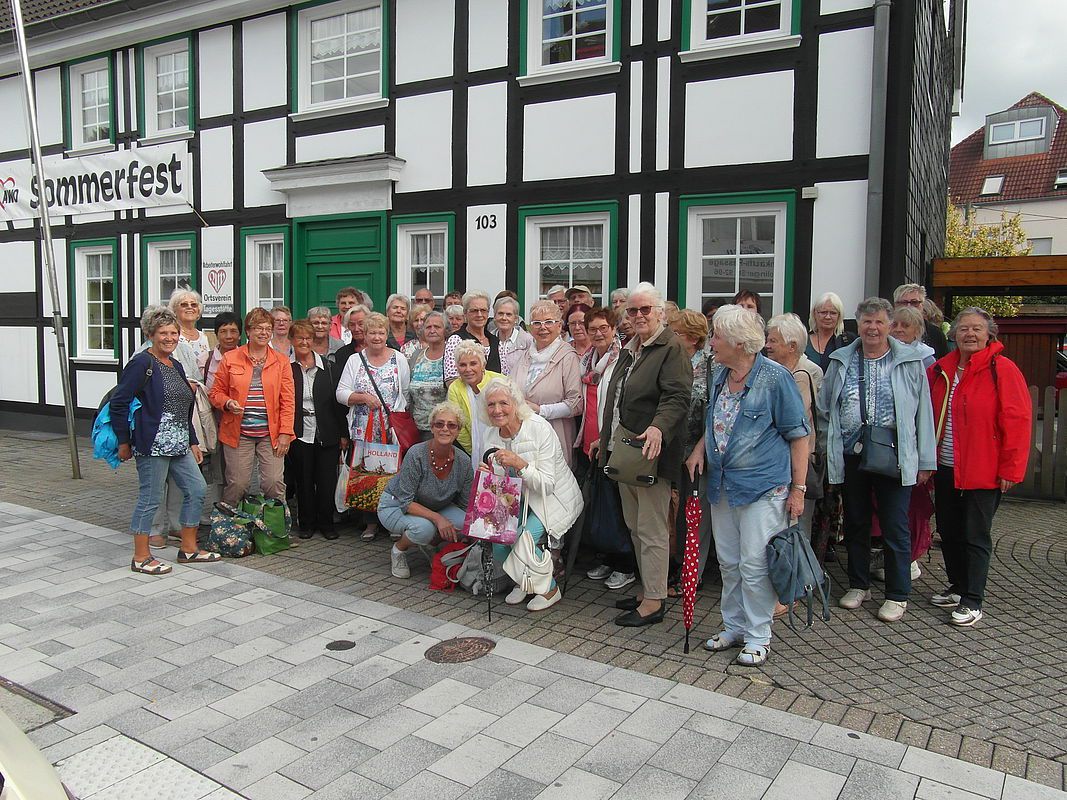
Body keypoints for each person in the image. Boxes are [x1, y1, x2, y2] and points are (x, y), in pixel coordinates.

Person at [685, 305, 809, 666]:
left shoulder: (775, 378)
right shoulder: (721, 375)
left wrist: (798, 490)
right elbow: (717, 422)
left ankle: (758, 635)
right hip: (723, 485)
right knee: (729, 562)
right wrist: (700, 449)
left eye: (717, 336)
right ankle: (734, 626)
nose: (712, 342)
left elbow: (799, 436)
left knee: (755, 565)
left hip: (762, 488)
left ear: (739, 343)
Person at [819, 297, 936, 623]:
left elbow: (924, 414)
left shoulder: (909, 362)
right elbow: (825, 408)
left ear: (889, 325)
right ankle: (859, 585)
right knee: (856, 522)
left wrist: (925, 461)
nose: (872, 328)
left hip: (894, 454)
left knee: (894, 525)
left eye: (879, 322)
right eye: (867, 321)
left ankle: (897, 594)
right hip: (851, 454)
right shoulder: (841, 360)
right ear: (858, 324)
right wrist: (828, 447)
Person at [928, 308, 1031, 626]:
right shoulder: (941, 369)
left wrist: (1011, 469)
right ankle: (958, 586)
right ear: (954, 334)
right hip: (945, 466)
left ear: (989, 334)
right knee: (948, 531)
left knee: (975, 534)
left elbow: (1018, 420)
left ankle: (973, 600)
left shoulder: (1003, 369)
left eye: (976, 329)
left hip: (983, 469)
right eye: (963, 328)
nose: (969, 334)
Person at [597, 283, 691, 627]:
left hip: (651, 452)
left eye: (645, 309)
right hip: (626, 450)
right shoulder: (631, 347)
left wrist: (658, 428)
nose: (638, 316)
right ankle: (649, 588)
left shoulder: (671, 348)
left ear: (660, 312)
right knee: (635, 526)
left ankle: (654, 601)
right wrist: (604, 439)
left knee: (651, 529)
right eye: (633, 310)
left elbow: (677, 397)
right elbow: (618, 398)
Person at [112, 306, 218, 574]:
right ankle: (141, 557)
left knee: (197, 489)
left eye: (173, 333)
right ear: (150, 335)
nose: (169, 338)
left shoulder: (176, 365)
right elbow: (119, 402)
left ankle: (189, 549)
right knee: (150, 498)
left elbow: (184, 407)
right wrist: (124, 441)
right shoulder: (141, 364)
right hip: (152, 445)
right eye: (163, 333)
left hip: (180, 444)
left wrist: (193, 441)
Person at [481, 377, 583, 612]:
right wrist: (488, 473)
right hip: (517, 501)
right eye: (491, 404)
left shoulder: (539, 427)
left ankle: (550, 589)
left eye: (503, 403)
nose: (497, 410)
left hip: (552, 500)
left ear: (516, 403)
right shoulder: (491, 434)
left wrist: (520, 464)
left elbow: (547, 484)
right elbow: (499, 483)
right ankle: (525, 582)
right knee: (499, 541)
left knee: (521, 539)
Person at [335, 312, 411, 541]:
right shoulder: (354, 360)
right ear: (365, 335)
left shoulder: (399, 358)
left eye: (381, 332)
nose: (377, 337)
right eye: (372, 333)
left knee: (392, 474)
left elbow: (405, 393)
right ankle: (370, 523)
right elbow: (341, 393)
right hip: (363, 429)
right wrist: (363, 398)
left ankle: (392, 521)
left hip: (390, 430)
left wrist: (395, 417)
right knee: (368, 474)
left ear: (387, 334)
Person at [210, 307, 296, 506]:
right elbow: (215, 393)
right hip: (238, 432)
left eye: (267, 328)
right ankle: (232, 523)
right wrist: (227, 403)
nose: (263, 332)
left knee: (273, 483)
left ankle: (274, 524)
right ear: (248, 331)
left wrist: (285, 432)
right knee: (237, 484)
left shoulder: (281, 361)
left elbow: (288, 400)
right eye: (258, 328)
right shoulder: (231, 358)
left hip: (271, 434)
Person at [576, 306, 636, 589]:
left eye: (604, 328)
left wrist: (607, 439)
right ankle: (607, 557)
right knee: (599, 507)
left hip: (610, 443)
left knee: (615, 507)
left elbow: (621, 405)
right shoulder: (587, 360)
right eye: (593, 329)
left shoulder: (623, 360)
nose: (598, 333)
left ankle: (625, 564)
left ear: (613, 330)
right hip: (588, 441)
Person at [379, 402, 475, 578]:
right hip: (395, 505)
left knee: (466, 523)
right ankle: (399, 550)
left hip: (434, 506)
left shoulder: (464, 461)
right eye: (439, 424)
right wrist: (439, 519)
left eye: (452, 425)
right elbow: (406, 502)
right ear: (431, 427)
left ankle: (430, 545)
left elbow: (466, 504)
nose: (445, 429)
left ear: (458, 430)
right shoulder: (416, 454)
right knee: (424, 529)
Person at [288, 320, 349, 540]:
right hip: (299, 432)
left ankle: (326, 524)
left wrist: (343, 434)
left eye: (308, 338)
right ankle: (306, 524)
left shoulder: (329, 368)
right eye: (299, 338)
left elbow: (338, 404)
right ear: (292, 340)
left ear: (314, 340)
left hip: (327, 430)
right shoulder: (285, 368)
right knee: (303, 480)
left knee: (326, 481)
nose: (304, 342)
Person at [765, 313, 823, 545]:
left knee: (796, 532)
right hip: (778, 465)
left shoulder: (803, 375)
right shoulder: (773, 371)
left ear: (792, 346)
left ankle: (798, 568)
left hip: (797, 463)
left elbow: (790, 420)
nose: (767, 345)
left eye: (773, 341)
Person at [670, 309, 714, 587]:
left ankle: (692, 575)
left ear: (693, 338)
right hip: (672, 450)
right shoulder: (671, 362)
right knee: (676, 515)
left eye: (676, 333)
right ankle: (678, 567)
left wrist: (700, 448)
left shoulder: (710, 367)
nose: (671, 337)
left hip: (699, 453)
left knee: (696, 515)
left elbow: (716, 413)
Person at [510, 300, 583, 468]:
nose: (543, 327)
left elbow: (576, 404)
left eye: (549, 322)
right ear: (530, 328)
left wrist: (540, 410)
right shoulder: (526, 356)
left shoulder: (568, 357)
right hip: (525, 435)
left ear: (559, 326)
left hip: (555, 432)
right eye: (537, 323)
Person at [446, 340, 503, 460]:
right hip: (474, 448)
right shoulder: (455, 388)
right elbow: (458, 425)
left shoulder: (499, 381)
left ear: (483, 365)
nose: (468, 369)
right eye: (462, 365)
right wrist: (474, 449)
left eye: (473, 364)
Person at [443, 290, 508, 383]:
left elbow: (504, 378)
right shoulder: (456, 340)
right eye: (474, 311)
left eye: (483, 310)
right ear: (465, 313)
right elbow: (451, 380)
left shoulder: (496, 342)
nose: (479, 315)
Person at [406, 311, 449, 437]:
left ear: (445, 330)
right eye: (428, 327)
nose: (432, 330)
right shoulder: (416, 355)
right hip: (415, 427)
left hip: (442, 428)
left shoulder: (451, 355)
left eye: (437, 327)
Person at [894, 284, 949, 359]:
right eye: (904, 303)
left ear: (922, 305)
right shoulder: (886, 330)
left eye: (914, 302)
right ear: (895, 305)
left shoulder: (936, 334)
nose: (909, 307)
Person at [805, 291, 855, 373]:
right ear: (814, 314)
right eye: (823, 312)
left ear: (839, 316)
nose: (828, 317)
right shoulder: (803, 342)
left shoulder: (848, 342)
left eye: (833, 313)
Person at [171, 289, 216, 373]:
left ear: (198, 311)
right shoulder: (172, 335)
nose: (189, 307)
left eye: (194, 305)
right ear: (174, 311)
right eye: (184, 305)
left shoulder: (204, 337)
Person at [494, 295, 533, 373]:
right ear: (495, 316)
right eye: (500, 314)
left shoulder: (528, 341)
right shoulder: (488, 340)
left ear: (516, 319)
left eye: (509, 314)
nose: (504, 318)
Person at [334, 304, 369, 371]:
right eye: (352, 325)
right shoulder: (342, 354)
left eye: (361, 324)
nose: (356, 329)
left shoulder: (383, 348)